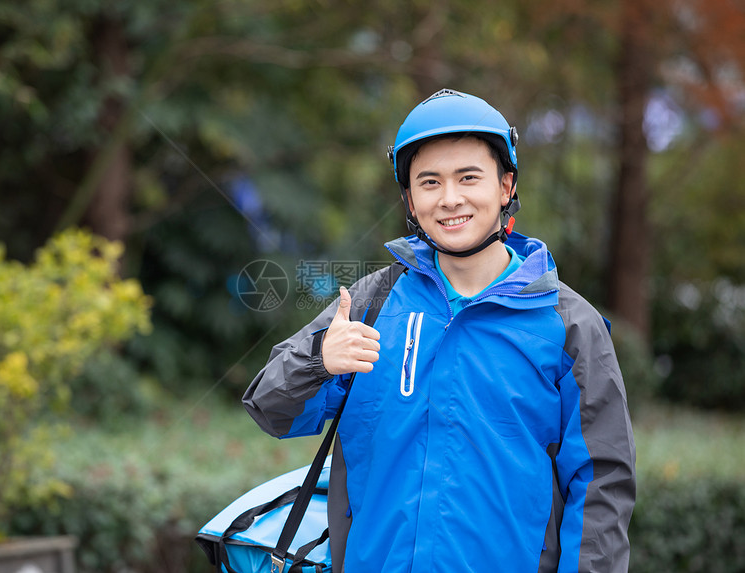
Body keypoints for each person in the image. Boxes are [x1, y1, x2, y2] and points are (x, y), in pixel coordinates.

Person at [242, 88, 636, 572]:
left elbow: (601, 484)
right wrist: (319, 357)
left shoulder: (569, 323)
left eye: (468, 177)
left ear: (506, 185)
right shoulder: (370, 303)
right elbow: (269, 409)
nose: (450, 199)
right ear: (410, 197)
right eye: (429, 182)